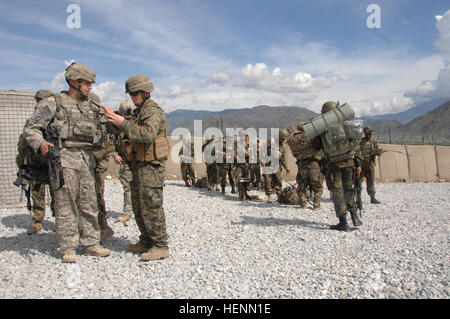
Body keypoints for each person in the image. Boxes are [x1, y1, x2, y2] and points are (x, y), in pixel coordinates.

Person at [23, 62, 111, 262]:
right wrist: (41, 143)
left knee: (89, 204)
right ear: (74, 82)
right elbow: (31, 127)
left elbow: (105, 128)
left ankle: (91, 243)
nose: (90, 87)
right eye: (87, 83)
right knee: (66, 205)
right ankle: (68, 248)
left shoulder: (92, 106)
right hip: (63, 161)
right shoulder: (54, 102)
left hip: (86, 161)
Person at [104, 74, 170, 261]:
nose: (132, 97)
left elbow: (147, 134)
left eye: (135, 93)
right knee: (138, 206)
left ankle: (160, 245)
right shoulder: (139, 112)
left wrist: (122, 123)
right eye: (131, 94)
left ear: (146, 92)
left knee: (151, 205)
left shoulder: (153, 111)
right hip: (138, 165)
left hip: (151, 167)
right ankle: (146, 240)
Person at [317, 101, 363, 231]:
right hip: (349, 162)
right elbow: (357, 146)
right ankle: (355, 217)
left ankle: (343, 222)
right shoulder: (347, 125)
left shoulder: (323, 128)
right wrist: (358, 164)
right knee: (349, 189)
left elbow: (318, 146)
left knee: (337, 192)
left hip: (334, 165)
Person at [16, 90, 56, 235]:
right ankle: (38, 222)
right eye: (38, 101)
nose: (39, 103)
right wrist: (22, 165)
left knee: (57, 195)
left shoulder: (56, 121)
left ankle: (60, 221)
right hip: (36, 164)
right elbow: (24, 144)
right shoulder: (35, 120)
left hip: (52, 164)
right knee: (37, 194)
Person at [89, 92, 116, 242]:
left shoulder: (102, 122)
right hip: (87, 164)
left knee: (97, 196)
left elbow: (109, 144)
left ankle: (102, 226)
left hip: (97, 165)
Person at [285, 123, 324, 210]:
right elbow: (319, 147)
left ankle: (303, 203)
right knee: (317, 185)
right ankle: (316, 204)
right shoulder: (313, 135)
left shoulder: (294, 138)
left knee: (302, 185)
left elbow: (294, 153)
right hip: (313, 163)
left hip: (301, 164)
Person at [114, 100, 136, 223]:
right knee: (127, 186)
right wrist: (114, 154)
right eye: (125, 117)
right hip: (125, 160)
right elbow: (110, 142)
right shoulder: (117, 126)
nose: (128, 119)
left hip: (139, 160)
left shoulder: (138, 124)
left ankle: (142, 212)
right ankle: (127, 211)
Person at [262, 130, 290, 203]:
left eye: (284, 139)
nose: (284, 140)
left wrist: (286, 167)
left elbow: (282, 158)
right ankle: (269, 196)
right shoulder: (269, 142)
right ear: (279, 136)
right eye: (283, 138)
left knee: (278, 180)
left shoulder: (282, 146)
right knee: (267, 181)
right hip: (267, 164)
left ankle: (279, 196)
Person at [360, 126, 384, 204]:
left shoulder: (373, 141)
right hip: (361, 164)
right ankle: (357, 197)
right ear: (365, 133)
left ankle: (372, 197)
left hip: (370, 164)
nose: (370, 135)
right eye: (368, 134)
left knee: (370, 181)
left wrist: (378, 152)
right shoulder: (360, 142)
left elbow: (377, 150)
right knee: (358, 181)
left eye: (371, 134)